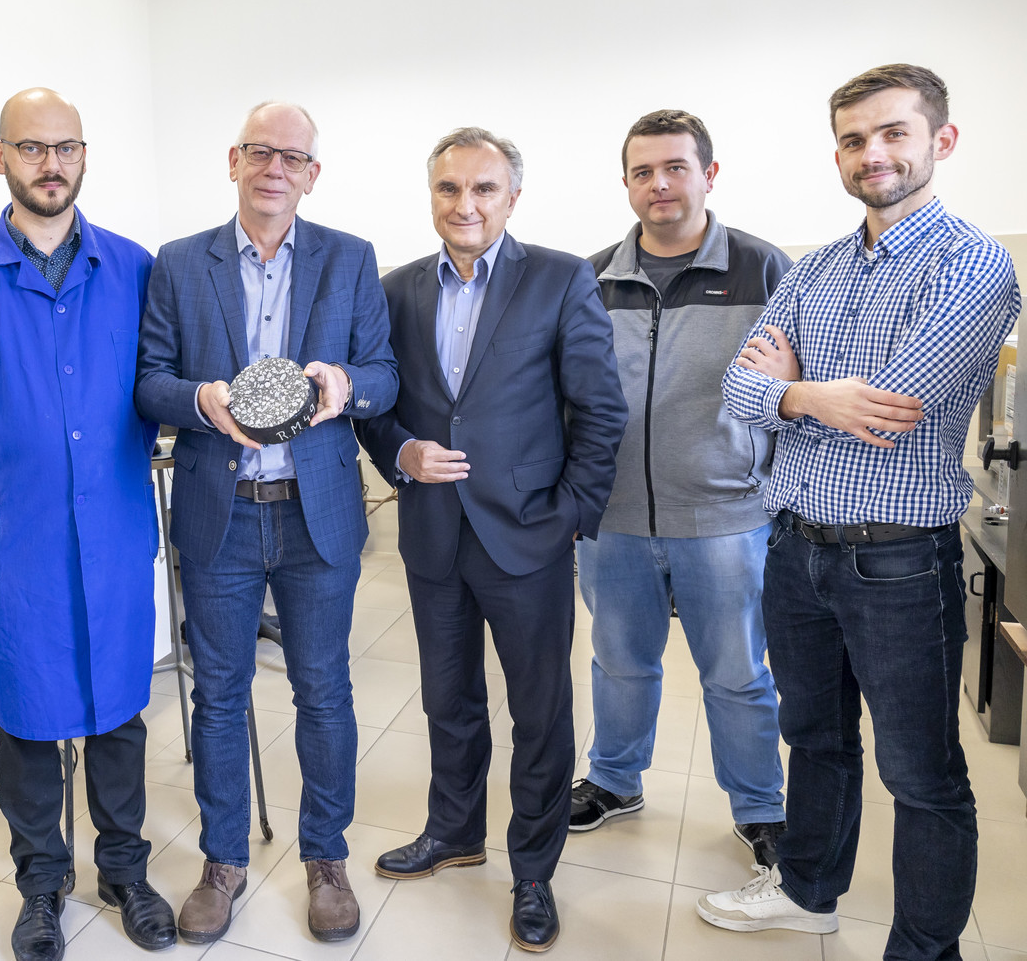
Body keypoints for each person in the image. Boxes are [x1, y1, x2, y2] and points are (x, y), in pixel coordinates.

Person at [699, 64, 1020, 961]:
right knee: (814, 738)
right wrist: (815, 397)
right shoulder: (817, 268)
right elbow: (738, 389)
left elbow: (895, 405)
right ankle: (808, 893)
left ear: (940, 141)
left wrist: (790, 392)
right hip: (795, 549)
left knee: (921, 775)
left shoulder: (973, 262)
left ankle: (924, 949)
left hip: (898, 562)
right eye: (853, 139)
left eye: (892, 133)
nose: (871, 153)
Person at [0, 88, 175, 961]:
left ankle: (124, 872)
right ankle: (41, 884)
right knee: (24, 716)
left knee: (119, 711)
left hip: (116, 532)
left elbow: (159, 386)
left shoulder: (133, 269)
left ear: (84, 156)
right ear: (1, 158)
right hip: (16, 539)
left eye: (66, 148)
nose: (50, 164)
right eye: (32, 148)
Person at [357, 127, 627, 953]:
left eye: (483, 189)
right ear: (431, 195)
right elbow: (376, 403)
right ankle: (454, 830)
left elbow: (600, 408)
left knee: (539, 711)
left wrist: (571, 513)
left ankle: (534, 870)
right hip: (434, 535)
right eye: (449, 189)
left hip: (529, 535)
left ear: (513, 197)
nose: (465, 204)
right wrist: (400, 452)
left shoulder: (559, 278)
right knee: (448, 700)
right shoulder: (396, 289)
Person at [135, 101, 397, 945]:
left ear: (313, 174)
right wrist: (201, 400)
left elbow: (385, 374)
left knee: (324, 691)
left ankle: (326, 857)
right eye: (260, 152)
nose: (275, 168)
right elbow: (149, 381)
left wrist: (347, 385)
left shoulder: (350, 258)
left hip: (316, 514)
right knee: (218, 695)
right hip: (222, 514)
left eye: (293, 157)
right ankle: (222, 862)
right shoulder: (181, 262)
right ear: (234, 161)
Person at [573, 110, 791, 867]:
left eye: (675, 167)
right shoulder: (591, 277)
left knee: (736, 673)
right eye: (643, 172)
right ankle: (614, 779)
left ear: (709, 174)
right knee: (618, 661)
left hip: (726, 514)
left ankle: (761, 808)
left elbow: (797, 387)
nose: (659, 184)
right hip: (612, 517)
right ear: (626, 183)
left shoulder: (764, 268)